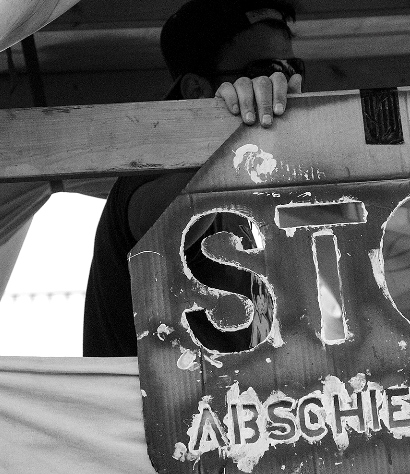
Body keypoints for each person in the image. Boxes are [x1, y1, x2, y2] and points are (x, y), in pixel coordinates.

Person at [83, 0, 302, 356]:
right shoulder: (154, 176)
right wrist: (232, 134)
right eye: (264, 71)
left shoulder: (252, 185)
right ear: (197, 90)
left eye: (292, 69)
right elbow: (169, 224)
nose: (284, 83)